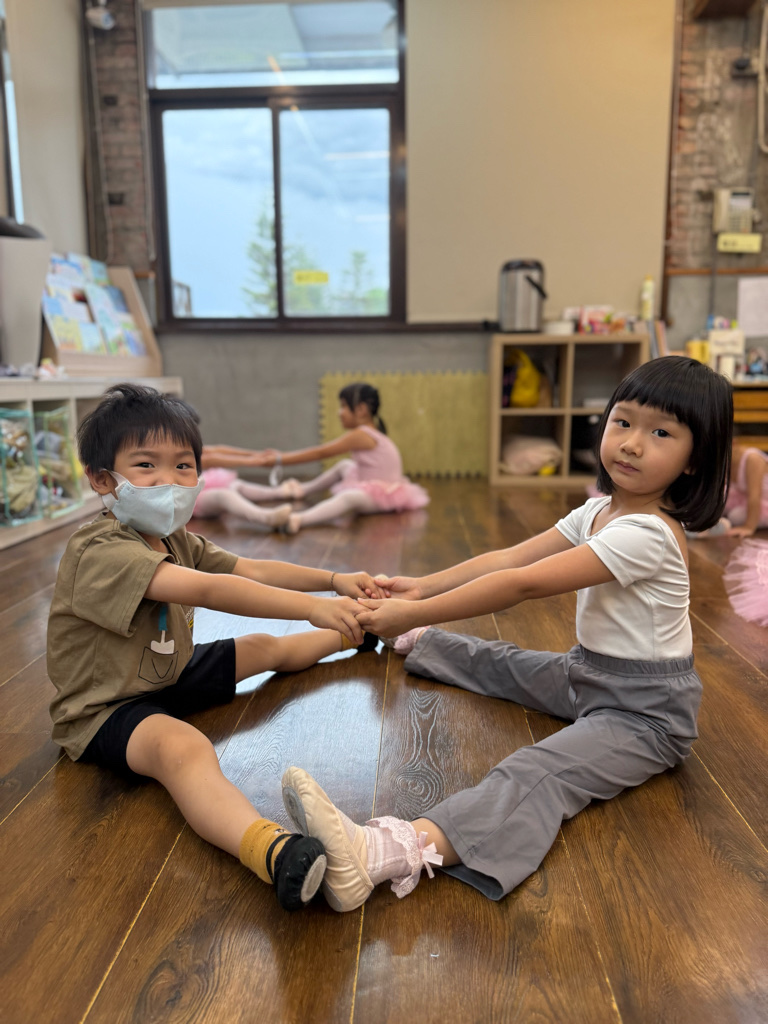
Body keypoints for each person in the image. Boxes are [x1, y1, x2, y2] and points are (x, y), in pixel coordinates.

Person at [278, 356, 733, 910]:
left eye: (661, 433)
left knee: (538, 770)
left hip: (646, 714)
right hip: (589, 673)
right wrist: (420, 589)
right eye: (623, 422)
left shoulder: (649, 534)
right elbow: (509, 557)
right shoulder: (598, 512)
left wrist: (410, 610)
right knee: (508, 663)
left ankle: (385, 852)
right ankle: (421, 642)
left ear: (694, 460)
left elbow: (521, 583)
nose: (632, 444)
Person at [47, 383, 384, 913]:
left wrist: (334, 582)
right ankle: (272, 851)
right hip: (105, 707)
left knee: (263, 647)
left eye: (183, 466)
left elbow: (252, 569)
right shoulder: (99, 549)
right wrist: (310, 607)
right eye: (146, 465)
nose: (169, 480)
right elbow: (208, 589)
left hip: (166, 671)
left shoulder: (177, 539)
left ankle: (358, 631)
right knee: (182, 749)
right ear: (101, 478)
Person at [246, 382, 429, 534]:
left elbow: (320, 453)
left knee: (348, 497)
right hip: (373, 482)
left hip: (383, 496)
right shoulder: (369, 432)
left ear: (361, 409)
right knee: (345, 466)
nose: (339, 413)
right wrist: (280, 457)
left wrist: (280, 459)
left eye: (343, 406)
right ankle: (303, 490)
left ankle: (300, 518)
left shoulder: (362, 434)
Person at [687, 442, 768, 539]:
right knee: (718, 496)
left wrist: (748, 527)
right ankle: (697, 523)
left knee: (736, 516)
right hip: (744, 499)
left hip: (762, 503)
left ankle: (712, 528)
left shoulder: (752, 459)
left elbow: (755, 496)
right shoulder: (726, 462)